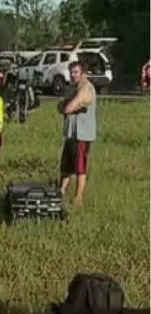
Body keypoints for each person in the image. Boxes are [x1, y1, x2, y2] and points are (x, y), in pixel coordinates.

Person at [58, 61, 96, 206]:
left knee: (80, 168)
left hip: (82, 135)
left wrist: (68, 105)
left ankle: (78, 198)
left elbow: (67, 108)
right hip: (70, 133)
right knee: (66, 165)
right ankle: (61, 191)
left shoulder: (86, 89)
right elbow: (61, 106)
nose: (73, 75)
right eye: (71, 72)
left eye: (76, 72)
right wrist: (67, 106)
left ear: (83, 73)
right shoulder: (72, 88)